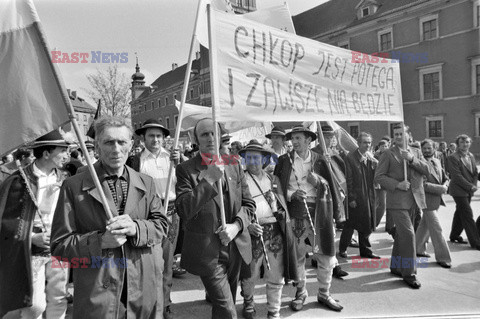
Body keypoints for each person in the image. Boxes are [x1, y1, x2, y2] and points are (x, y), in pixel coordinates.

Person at [50, 116, 169, 318]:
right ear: (97, 146)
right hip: (98, 295)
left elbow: (162, 226)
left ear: (131, 145)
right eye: (108, 142)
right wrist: (99, 241)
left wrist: (136, 229)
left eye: (121, 142)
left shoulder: (146, 182)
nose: (116, 149)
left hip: (140, 291)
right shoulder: (73, 186)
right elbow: (59, 246)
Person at [175, 118, 255, 319]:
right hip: (208, 251)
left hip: (235, 247)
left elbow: (248, 205)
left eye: (214, 133)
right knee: (229, 311)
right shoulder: (186, 169)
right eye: (204, 134)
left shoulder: (234, 164)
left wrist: (236, 226)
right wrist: (208, 179)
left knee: (223, 307)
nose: (211, 138)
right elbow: (184, 210)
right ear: (196, 139)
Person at [0, 130, 70, 318]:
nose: (67, 156)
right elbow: (5, 222)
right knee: (34, 304)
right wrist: (31, 238)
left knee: (59, 297)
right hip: (30, 249)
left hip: (58, 245)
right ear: (46, 153)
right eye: (62, 151)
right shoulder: (19, 180)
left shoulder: (66, 180)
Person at [274, 125, 343, 312]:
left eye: (298, 138)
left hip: (321, 212)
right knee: (298, 257)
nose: (294, 142)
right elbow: (276, 187)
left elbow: (333, 186)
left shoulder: (321, 160)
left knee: (326, 256)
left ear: (308, 140)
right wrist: (290, 194)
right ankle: (301, 293)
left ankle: (324, 293)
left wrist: (319, 182)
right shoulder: (284, 161)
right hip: (296, 214)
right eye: (292, 138)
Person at [126, 118, 183, 318]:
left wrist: (180, 162)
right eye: (151, 135)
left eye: (159, 136)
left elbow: (184, 183)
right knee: (149, 263)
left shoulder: (174, 158)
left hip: (171, 214)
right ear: (143, 138)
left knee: (167, 263)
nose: (155, 139)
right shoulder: (136, 161)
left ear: (164, 139)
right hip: (148, 217)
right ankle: (148, 302)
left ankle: (165, 303)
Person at [239, 140, 297, 319]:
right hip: (252, 232)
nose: (252, 161)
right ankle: (248, 302)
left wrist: (278, 210)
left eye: (256, 157)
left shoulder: (273, 179)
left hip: (274, 231)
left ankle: (274, 309)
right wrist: (247, 225)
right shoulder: (240, 180)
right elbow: (235, 207)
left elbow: (281, 206)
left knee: (275, 273)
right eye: (248, 157)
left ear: (264, 159)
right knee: (250, 273)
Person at [374, 124, 429, 289]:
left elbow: (427, 170)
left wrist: (411, 159)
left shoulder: (416, 152)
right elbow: (379, 176)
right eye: (395, 134)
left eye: (401, 134)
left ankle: (396, 266)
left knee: (401, 236)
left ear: (408, 135)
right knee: (409, 235)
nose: (398, 136)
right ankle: (409, 273)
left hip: (414, 200)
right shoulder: (387, 154)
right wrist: (397, 184)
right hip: (397, 202)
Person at [339, 132, 380, 259]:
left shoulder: (370, 158)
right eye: (364, 142)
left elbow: (374, 178)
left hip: (368, 195)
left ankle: (366, 250)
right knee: (350, 224)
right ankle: (342, 249)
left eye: (369, 142)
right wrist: (351, 197)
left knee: (367, 223)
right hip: (356, 196)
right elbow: (349, 179)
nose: (367, 145)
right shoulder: (350, 157)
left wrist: (375, 164)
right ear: (358, 143)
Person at [415, 139, 452, 268]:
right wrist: (440, 189)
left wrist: (445, 185)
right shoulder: (419, 163)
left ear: (434, 149)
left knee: (425, 226)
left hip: (436, 199)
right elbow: (422, 184)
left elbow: (445, 177)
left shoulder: (436, 161)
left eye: (429, 148)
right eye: (424, 148)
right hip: (426, 200)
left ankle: (417, 249)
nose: (426, 151)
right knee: (437, 229)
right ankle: (443, 257)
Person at [447, 134, 480, 250]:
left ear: (470, 143)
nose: (465, 144)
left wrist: (474, 185)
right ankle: (476, 242)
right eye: (462, 142)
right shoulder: (453, 157)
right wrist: (471, 186)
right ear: (457, 144)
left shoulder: (471, 155)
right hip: (458, 190)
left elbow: (475, 173)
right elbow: (456, 176)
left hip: (469, 189)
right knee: (467, 214)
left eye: (467, 142)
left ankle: (454, 235)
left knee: (460, 212)